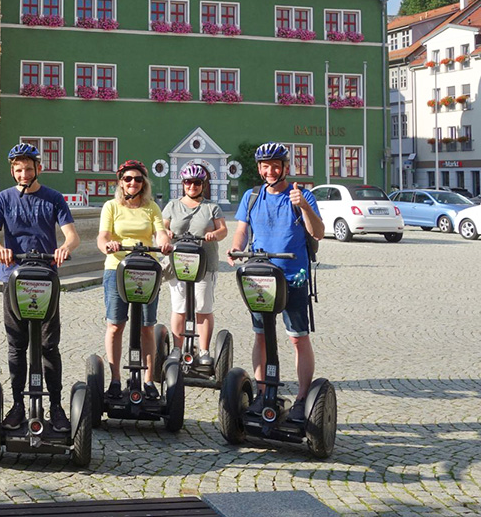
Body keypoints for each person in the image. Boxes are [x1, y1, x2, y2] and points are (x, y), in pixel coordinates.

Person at [0, 143, 80, 432]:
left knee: (49, 345)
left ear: (38, 168)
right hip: (13, 277)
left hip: (46, 277)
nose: (23, 174)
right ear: (13, 171)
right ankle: (17, 405)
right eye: (18, 169)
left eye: (28, 168)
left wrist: (64, 248)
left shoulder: (53, 199)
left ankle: (57, 407)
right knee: (17, 345)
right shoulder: (3, 199)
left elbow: (72, 236)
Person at [228, 142, 324, 422]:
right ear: (259, 169)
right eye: (265, 166)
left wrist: (304, 205)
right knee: (261, 335)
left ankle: (303, 397)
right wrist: (235, 249)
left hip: (293, 276)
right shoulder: (252, 196)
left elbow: (317, 233)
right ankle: (263, 392)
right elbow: (242, 231)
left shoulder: (300, 195)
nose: (270, 171)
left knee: (297, 337)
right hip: (260, 276)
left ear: (285, 167)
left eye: (275, 165)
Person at [96, 159, 172, 401]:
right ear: (120, 182)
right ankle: (116, 379)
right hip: (117, 268)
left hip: (146, 270)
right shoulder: (111, 206)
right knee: (116, 325)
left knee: (147, 327)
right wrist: (108, 245)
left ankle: (148, 380)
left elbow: (159, 231)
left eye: (137, 179)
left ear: (144, 183)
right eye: (128, 178)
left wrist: (163, 241)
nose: (132, 183)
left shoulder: (151, 208)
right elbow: (103, 236)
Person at [161, 163, 229, 366]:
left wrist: (214, 234)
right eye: (189, 182)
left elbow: (223, 230)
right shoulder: (172, 206)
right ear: (183, 184)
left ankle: (205, 350)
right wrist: (167, 234)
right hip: (178, 264)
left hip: (204, 265)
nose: (193, 186)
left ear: (203, 185)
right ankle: (176, 348)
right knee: (179, 307)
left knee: (203, 306)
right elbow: (161, 229)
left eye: (197, 182)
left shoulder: (211, 207)